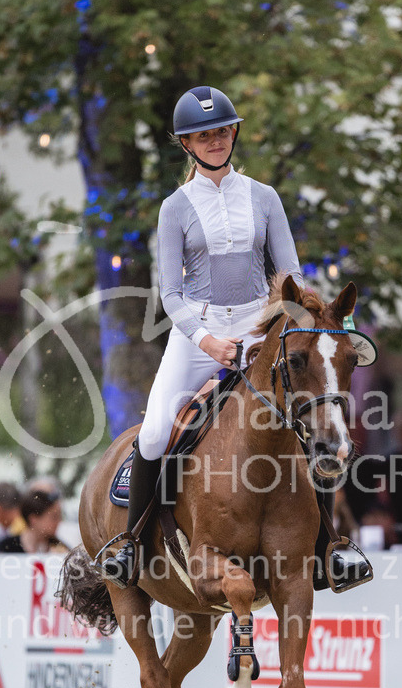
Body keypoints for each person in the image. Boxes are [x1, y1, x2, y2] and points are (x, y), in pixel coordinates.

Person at [104, 85, 370, 593]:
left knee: (306, 425)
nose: (215, 141)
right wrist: (207, 344)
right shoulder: (174, 207)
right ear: (187, 144)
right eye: (203, 136)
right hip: (196, 333)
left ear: (234, 134)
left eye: (222, 131)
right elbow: (172, 294)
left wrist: (304, 324)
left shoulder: (264, 198)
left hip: (257, 326)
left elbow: (289, 275)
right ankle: (131, 545)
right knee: (157, 430)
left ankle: (330, 549)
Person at [0, 490, 68, 555]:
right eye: (54, 517)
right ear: (33, 519)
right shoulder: (7, 547)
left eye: (59, 516)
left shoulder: (61, 548)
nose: (59, 521)